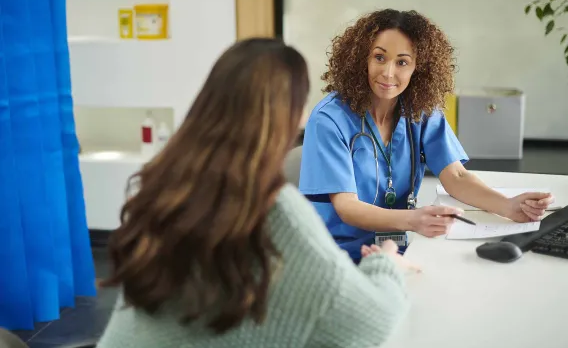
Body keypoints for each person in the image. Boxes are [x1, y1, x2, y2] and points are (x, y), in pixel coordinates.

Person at [97, 38, 412, 348]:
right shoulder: (274, 209)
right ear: (291, 116)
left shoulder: (165, 183)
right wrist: (385, 264)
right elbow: (370, 322)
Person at [299, 9, 555, 262]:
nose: (389, 73)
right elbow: (347, 207)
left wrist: (508, 206)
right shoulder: (330, 120)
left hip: (397, 246)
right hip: (340, 254)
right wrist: (414, 219)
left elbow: (455, 176)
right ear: (360, 59)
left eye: (402, 62)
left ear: (417, 68)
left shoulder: (418, 111)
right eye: (379, 57)